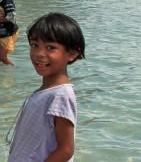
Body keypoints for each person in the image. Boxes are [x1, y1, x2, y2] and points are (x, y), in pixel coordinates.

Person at [8, 13, 85, 161]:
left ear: (72, 53)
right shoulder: (46, 91)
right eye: (34, 45)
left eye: (50, 47)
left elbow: (66, 149)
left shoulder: (61, 95)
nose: (39, 54)